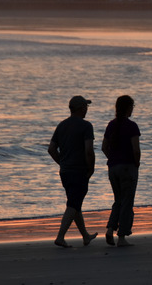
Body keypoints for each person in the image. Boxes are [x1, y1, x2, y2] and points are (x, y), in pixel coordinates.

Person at [48, 96, 97, 248]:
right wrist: (91, 168)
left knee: (75, 204)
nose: (87, 109)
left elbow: (51, 149)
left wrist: (62, 163)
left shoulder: (61, 125)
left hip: (65, 172)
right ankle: (60, 237)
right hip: (79, 170)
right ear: (82, 108)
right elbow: (89, 150)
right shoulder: (86, 126)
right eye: (86, 107)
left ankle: (85, 236)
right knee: (73, 204)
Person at [102, 95, 141, 247]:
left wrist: (112, 159)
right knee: (126, 202)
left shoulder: (111, 125)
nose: (133, 109)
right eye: (132, 106)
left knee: (118, 200)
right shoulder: (132, 126)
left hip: (113, 168)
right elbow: (136, 150)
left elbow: (104, 147)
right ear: (128, 108)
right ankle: (122, 237)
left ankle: (110, 229)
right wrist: (136, 164)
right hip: (127, 167)